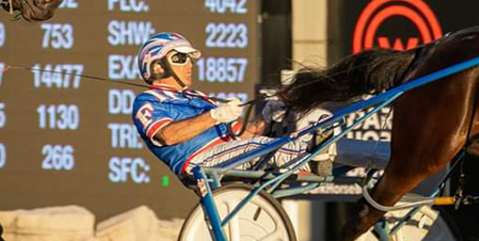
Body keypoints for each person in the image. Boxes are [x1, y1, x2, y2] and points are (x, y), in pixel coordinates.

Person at [131, 32, 387, 186]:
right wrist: (214, 116)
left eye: (189, 58)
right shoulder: (148, 101)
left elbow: (242, 140)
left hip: (230, 154)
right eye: (180, 58)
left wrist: (267, 116)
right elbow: (167, 136)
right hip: (200, 164)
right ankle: (314, 153)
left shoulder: (199, 97)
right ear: (157, 66)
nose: (189, 64)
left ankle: (386, 154)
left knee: (310, 140)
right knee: (279, 146)